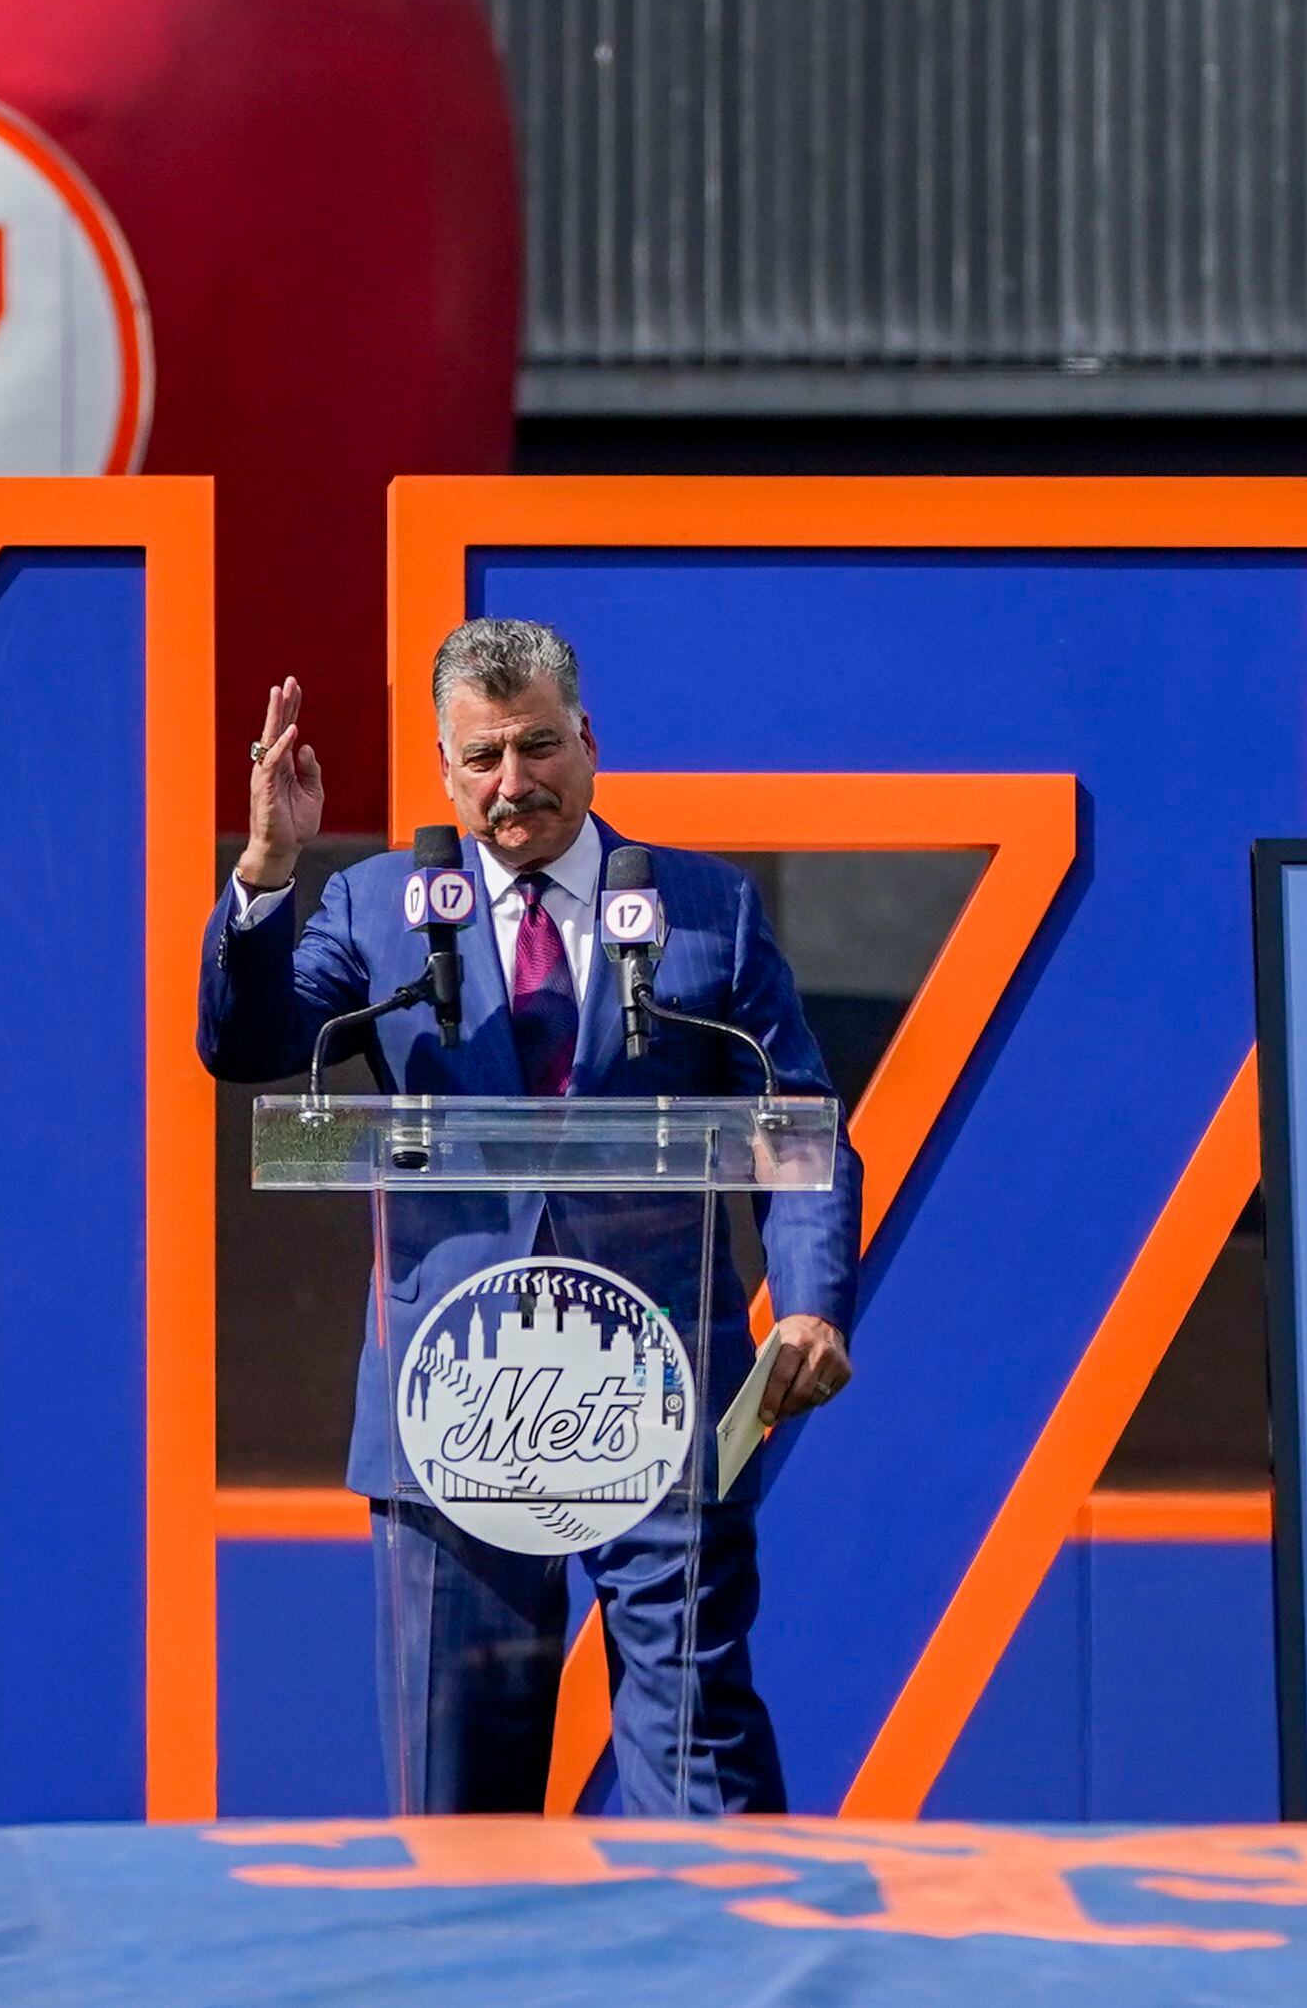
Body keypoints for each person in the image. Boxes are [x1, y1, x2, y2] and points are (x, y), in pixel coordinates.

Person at [198, 616, 861, 1815]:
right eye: (483, 760)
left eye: (539, 747)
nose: (514, 785)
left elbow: (797, 1123)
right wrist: (264, 876)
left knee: (700, 1766)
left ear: (588, 740)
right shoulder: (375, 905)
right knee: (463, 1806)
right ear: (446, 772)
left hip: (663, 1404)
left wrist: (808, 1304)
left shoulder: (705, 909)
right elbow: (246, 1044)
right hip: (455, 1403)